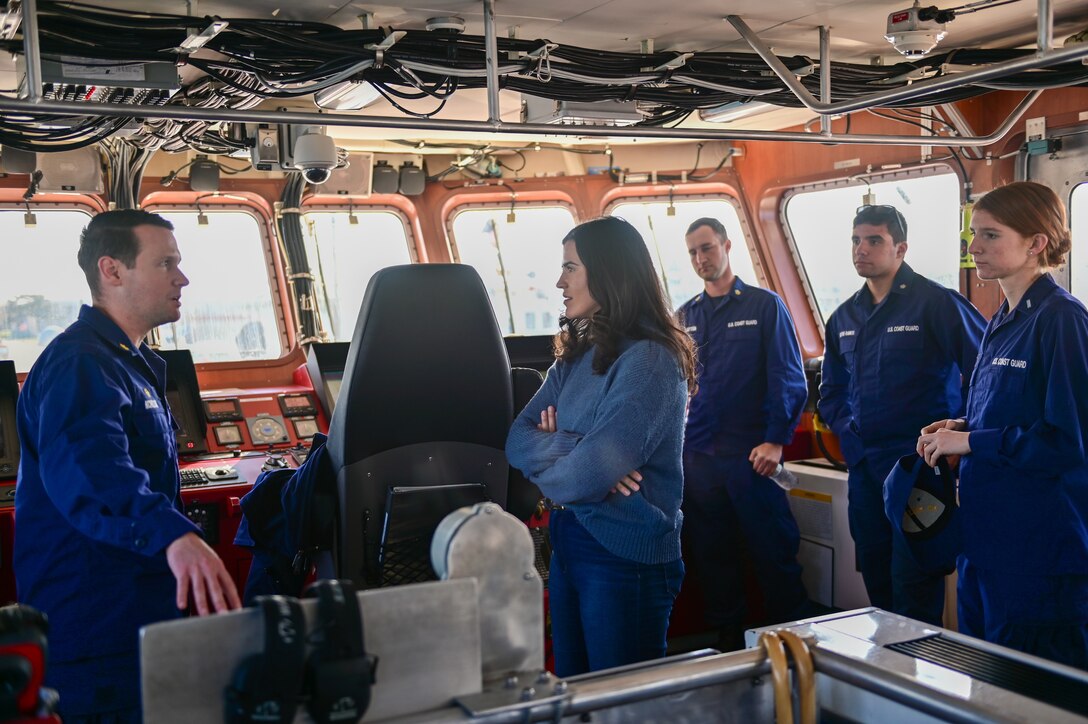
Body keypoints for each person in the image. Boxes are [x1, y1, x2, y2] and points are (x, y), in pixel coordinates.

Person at [15, 209, 241, 722]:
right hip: (96, 623)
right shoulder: (80, 363)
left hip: (135, 611)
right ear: (112, 271)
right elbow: (94, 471)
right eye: (166, 264)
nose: (182, 278)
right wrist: (174, 537)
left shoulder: (123, 362)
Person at [505, 216, 695, 677]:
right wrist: (580, 448)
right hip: (571, 538)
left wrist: (569, 456)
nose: (559, 282)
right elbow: (516, 441)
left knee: (620, 703)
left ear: (608, 272)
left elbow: (587, 475)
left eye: (570, 268)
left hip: (623, 553)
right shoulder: (578, 354)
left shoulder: (649, 360)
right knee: (576, 690)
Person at [918, 181, 1088, 668]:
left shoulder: (1061, 321)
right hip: (986, 545)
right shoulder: (1002, 319)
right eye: (973, 236)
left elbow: (1066, 441)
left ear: (1036, 243)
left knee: (1034, 696)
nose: (975, 249)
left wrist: (971, 441)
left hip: (1038, 555)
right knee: (986, 681)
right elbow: (1015, 412)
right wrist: (963, 424)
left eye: (990, 236)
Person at [819, 204, 985, 625]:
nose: (862, 249)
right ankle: (888, 682)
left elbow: (986, 374)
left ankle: (917, 677)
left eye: (874, 240)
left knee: (915, 580)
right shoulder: (843, 318)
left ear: (901, 248)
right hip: (865, 467)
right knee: (876, 575)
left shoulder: (937, 304)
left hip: (917, 467)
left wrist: (956, 438)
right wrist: (849, 432)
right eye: (856, 240)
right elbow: (832, 392)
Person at [677, 217, 810, 651]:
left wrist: (776, 440)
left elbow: (788, 377)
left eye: (708, 248)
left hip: (753, 456)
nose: (701, 259)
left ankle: (792, 645)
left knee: (772, 552)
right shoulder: (686, 316)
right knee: (713, 557)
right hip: (699, 461)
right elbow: (677, 389)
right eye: (694, 251)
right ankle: (730, 647)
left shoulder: (763, 306)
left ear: (727, 246)